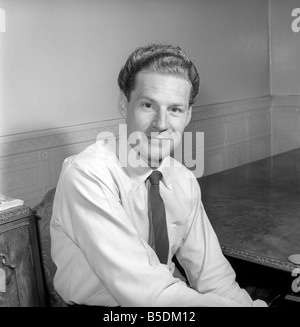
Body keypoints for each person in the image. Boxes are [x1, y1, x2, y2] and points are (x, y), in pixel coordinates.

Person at [50, 43, 267, 307]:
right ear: (124, 104)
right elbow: (149, 295)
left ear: (188, 115)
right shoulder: (87, 175)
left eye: (175, 109)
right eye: (148, 105)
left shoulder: (182, 179)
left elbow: (214, 278)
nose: (161, 124)